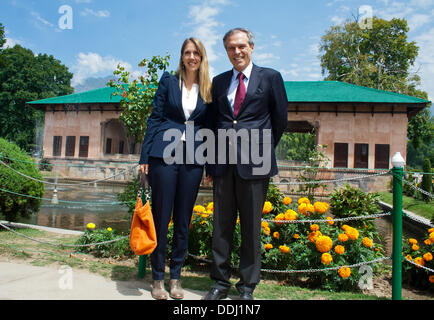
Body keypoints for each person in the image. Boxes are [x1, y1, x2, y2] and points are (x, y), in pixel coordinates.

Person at [203, 28, 288, 300]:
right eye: (230, 48)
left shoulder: (271, 77)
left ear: (251, 47)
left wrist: (261, 150)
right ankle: (219, 283)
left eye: (241, 46)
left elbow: (279, 120)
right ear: (226, 51)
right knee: (221, 226)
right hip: (223, 164)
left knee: (251, 227)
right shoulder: (218, 82)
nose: (236, 52)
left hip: (256, 163)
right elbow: (214, 124)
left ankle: (247, 287)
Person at [139, 37, 212, 300]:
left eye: (196, 53)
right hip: (163, 156)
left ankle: (175, 278)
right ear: (182, 56)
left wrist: (210, 165)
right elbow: (155, 117)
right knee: (161, 217)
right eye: (187, 52)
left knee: (183, 220)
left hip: (193, 160)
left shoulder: (207, 89)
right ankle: (157, 278)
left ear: (201, 58)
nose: (191, 57)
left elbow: (209, 129)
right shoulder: (169, 82)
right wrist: (144, 156)